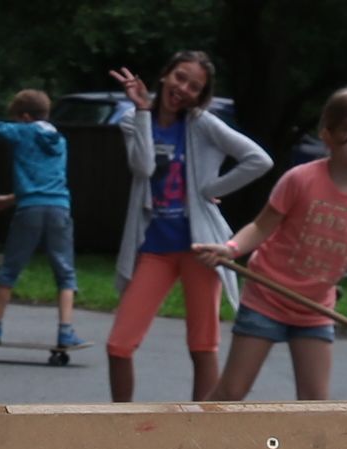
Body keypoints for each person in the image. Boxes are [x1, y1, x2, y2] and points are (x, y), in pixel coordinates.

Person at [199, 87, 347, 402]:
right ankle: (185, 443)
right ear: (327, 135)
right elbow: (260, 227)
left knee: (314, 404)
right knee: (231, 392)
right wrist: (230, 249)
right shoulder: (300, 179)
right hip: (267, 296)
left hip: (315, 309)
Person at [104, 51, 270, 404]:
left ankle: (199, 428)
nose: (183, 89)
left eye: (194, 86)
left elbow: (259, 159)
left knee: (202, 345)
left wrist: (210, 189)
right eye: (180, 77)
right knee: (119, 344)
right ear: (165, 75)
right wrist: (143, 111)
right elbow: (145, 168)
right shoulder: (134, 121)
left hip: (201, 250)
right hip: (154, 249)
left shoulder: (202, 123)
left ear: (200, 95)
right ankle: (117, 424)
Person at [0, 88, 80, 355]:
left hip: (30, 211)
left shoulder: (24, 131)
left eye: (17, 118)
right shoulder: (60, 140)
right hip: (59, 208)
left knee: (11, 267)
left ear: (25, 116)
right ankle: (66, 331)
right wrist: (7, 199)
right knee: (65, 272)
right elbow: (46, 184)